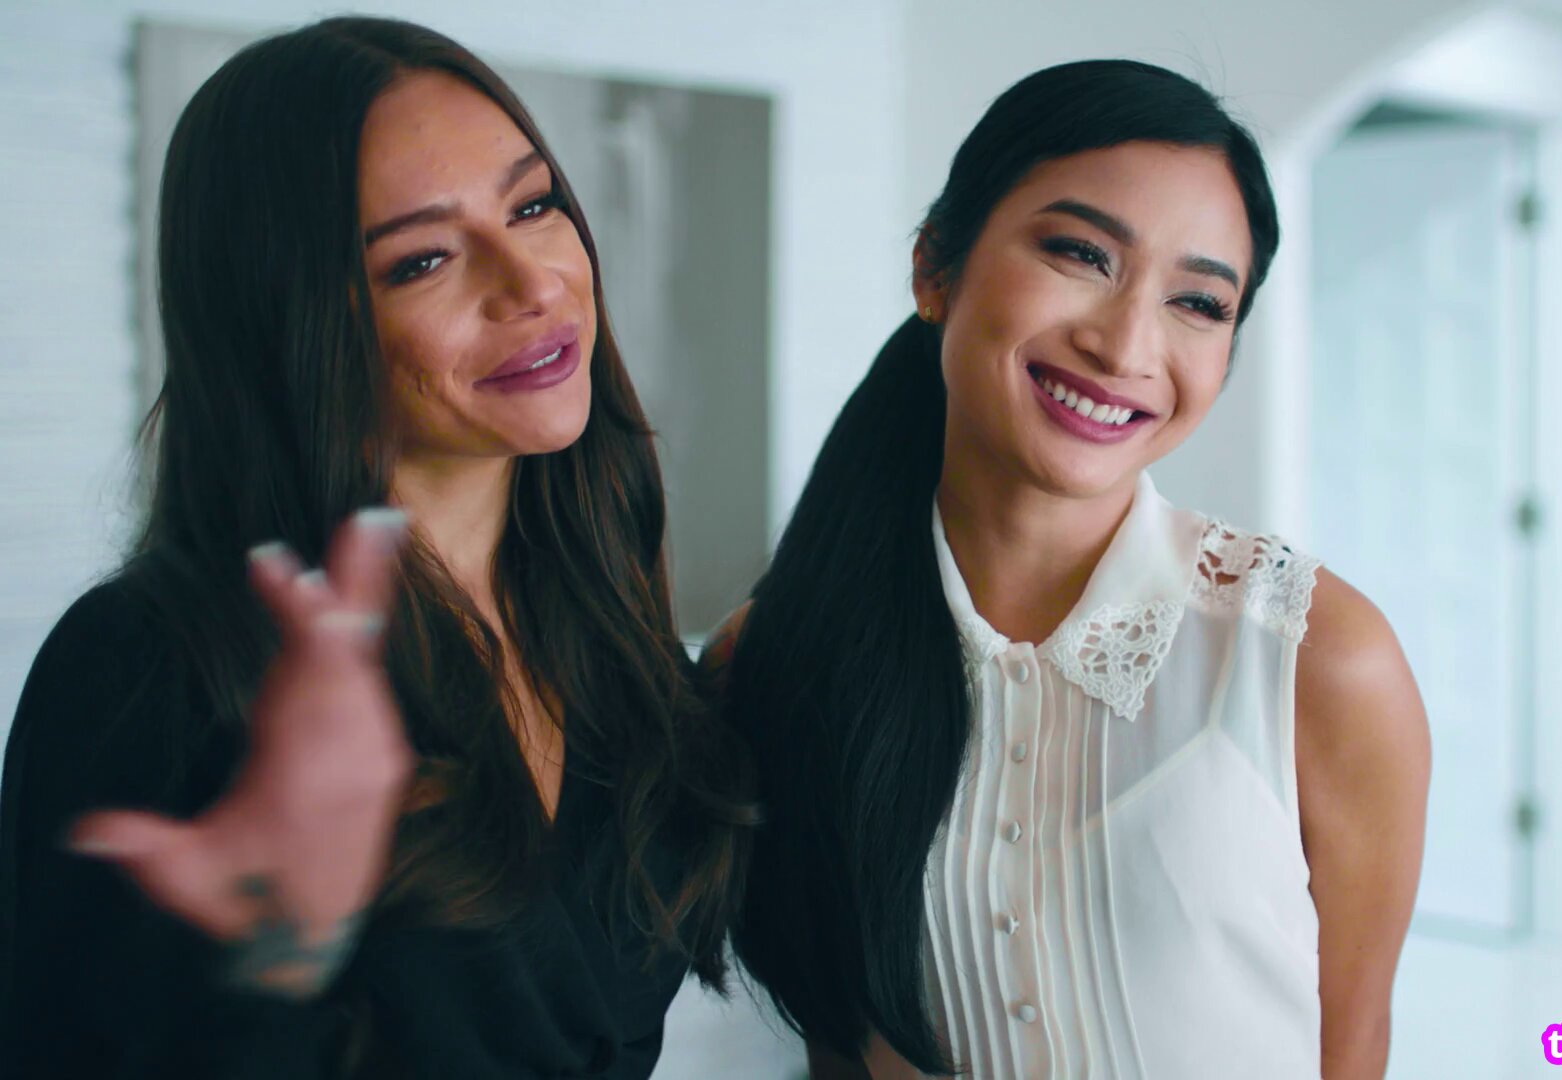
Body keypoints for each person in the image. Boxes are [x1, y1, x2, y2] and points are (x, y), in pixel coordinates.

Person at [0, 17, 750, 1078]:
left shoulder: (617, 642)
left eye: (532, 205)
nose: (530, 282)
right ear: (295, 322)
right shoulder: (148, 667)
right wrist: (280, 952)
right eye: (423, 260)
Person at [716, 60, 1431, 1079]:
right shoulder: (777, 658)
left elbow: (1351, 1049)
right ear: (934, 268)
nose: (1126, 345)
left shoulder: (1318, 660)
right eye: (1081, 254)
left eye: (1198, 302)